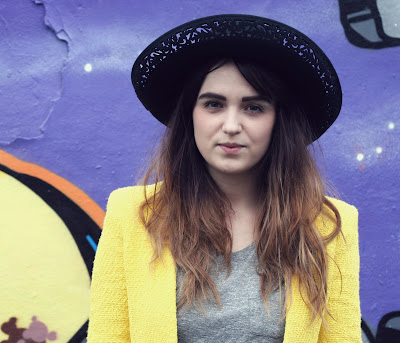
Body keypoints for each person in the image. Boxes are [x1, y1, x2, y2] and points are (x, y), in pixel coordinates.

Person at [87, 14, 361, 343]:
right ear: (191, 115)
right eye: (214, 104)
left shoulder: (327, 224)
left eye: (253, 107)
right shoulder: (133, 214)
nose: (231, 125)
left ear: (278, 120)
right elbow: (108, 337)